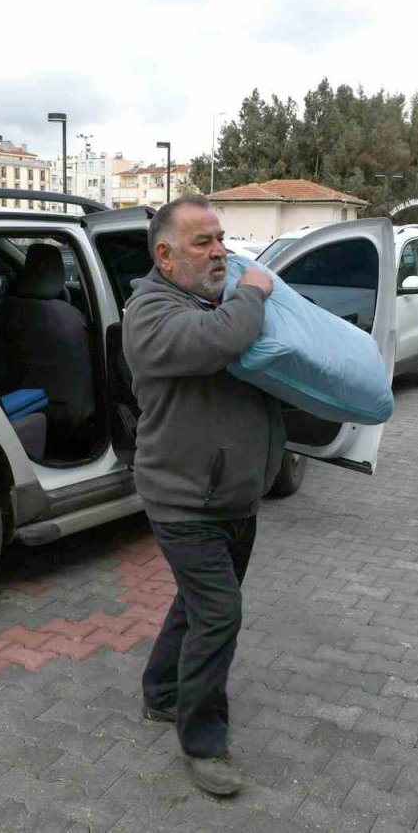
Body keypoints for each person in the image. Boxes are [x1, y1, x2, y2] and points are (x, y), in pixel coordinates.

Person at [122, 194, 284, 796]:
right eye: (203, 242)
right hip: (183, 499)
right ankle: (203, 743)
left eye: (221, 239)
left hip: (235, 494)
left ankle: (161, 694)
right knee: (219, 613)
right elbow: (223, 339)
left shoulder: (208, 297)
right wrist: (258, 290)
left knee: (198, 605)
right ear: (165, 256)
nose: (220, 252)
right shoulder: (152, 313)